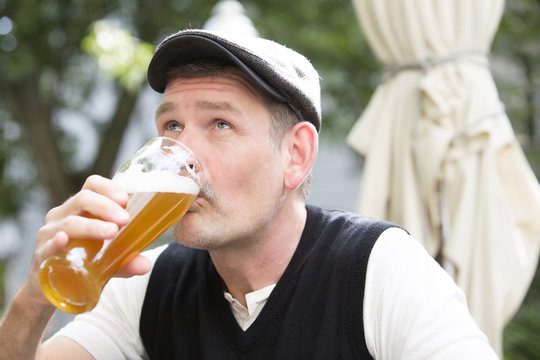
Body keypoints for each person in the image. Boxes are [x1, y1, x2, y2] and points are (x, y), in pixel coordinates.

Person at [0, 29, 498, 359]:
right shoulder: (149, 283)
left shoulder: (377, 269)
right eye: (172, 124)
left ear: (296, 155)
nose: (183, 152)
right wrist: (33, 301)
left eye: (219, 123)